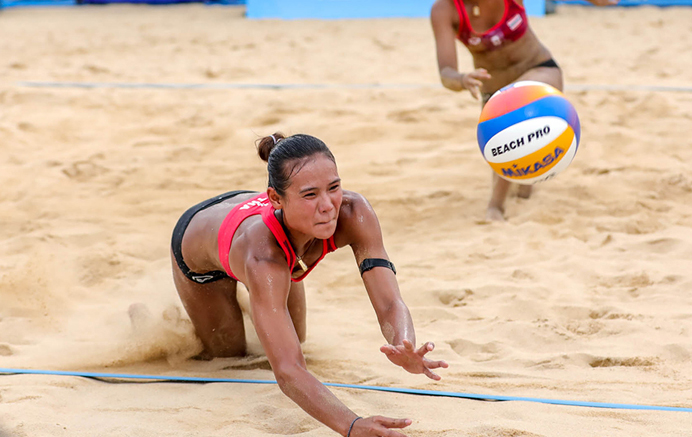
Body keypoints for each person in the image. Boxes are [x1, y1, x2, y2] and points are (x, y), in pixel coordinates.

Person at [170, 133, 448, 437]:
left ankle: (262, 305)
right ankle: (155, 319)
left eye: (334, 188)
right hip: (200, 251)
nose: (328, 205)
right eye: (310, 195)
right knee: (231, 356)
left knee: (295, 339)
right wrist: (352, 425)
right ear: (276, 198)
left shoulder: (354, 212)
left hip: (261, 229)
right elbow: (288, 372)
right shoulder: (264, 259)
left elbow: (390, 302)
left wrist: (402, 342)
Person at [430, 0, 617, 221]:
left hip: (538, 68)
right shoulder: (445, 10)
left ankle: (496, 206)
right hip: (494, 92)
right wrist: (461, 79)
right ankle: (526, 184)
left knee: (515, 117)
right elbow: (446, 73)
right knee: (517, 161)